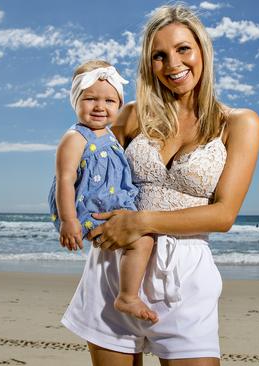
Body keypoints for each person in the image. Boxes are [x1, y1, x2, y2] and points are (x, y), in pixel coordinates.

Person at [61, 5, 259, 366]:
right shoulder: (130, 114)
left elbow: (224, 214)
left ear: (202, 51)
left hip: (185, 277)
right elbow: (82, 165)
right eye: (159, 55)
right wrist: (80, 220)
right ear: (147, 63)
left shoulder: (239, 122)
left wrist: (140, 221)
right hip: (116, 266)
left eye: (183, 49)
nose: (173, 64)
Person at [48, 60, 158, 323]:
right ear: (75, 101)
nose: (100, 106)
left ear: (119, 106)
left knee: (142, 239)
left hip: (110, 205)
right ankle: (127, 296)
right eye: (90, 99)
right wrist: (69, 220)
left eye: (110, 101)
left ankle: (129, 289)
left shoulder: (109, 135)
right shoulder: (75, 138)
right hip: (89, 211)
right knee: (143, 240)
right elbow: (64, 179)